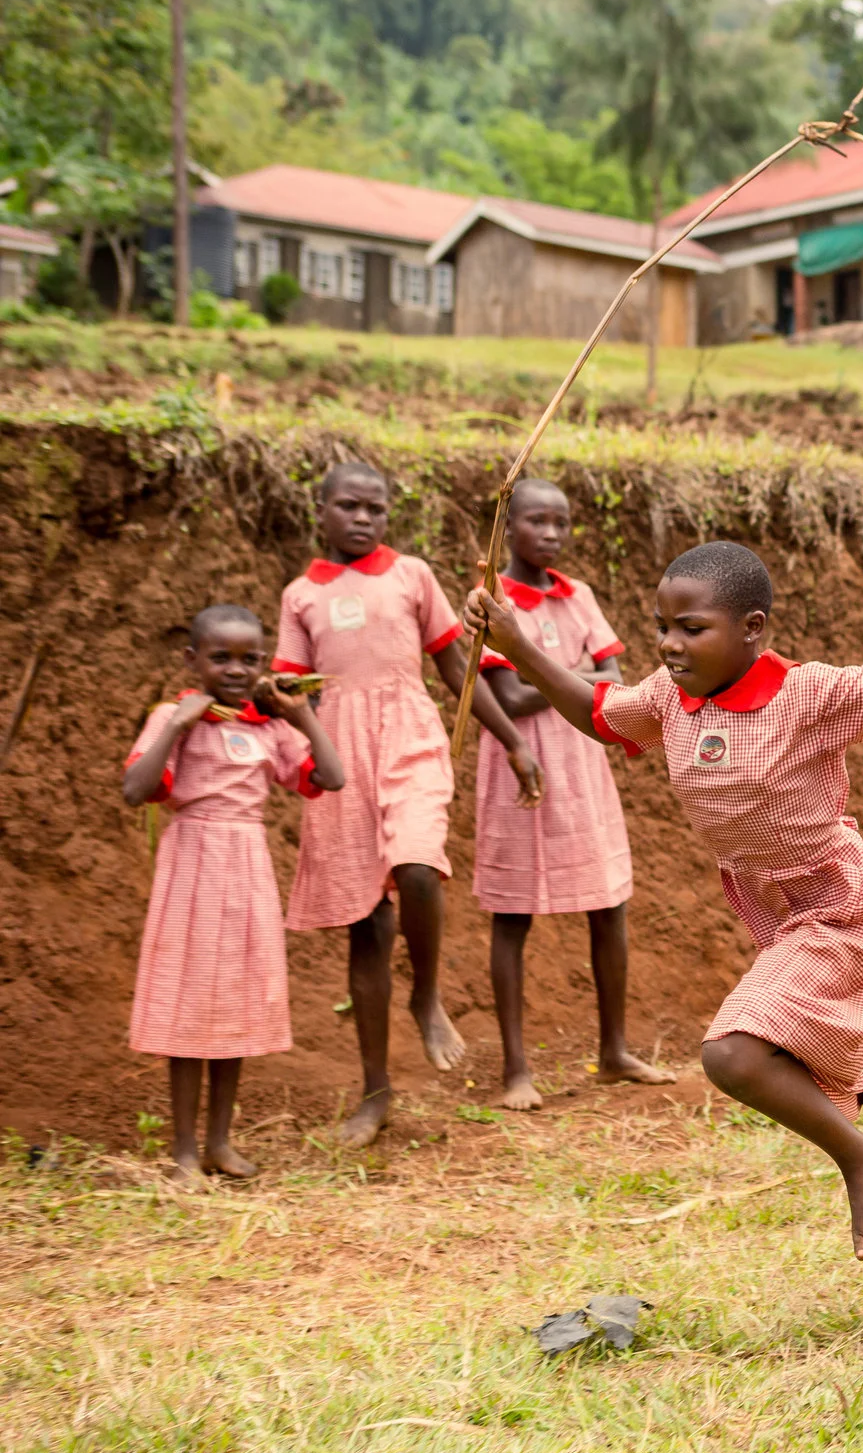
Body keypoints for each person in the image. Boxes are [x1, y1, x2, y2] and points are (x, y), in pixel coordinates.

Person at [465, 530, 863, 1272]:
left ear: (752, 628)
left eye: (691, 628)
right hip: (782, 911)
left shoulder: (809, 693)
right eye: (662, 627)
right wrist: (515, 642)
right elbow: (599, 713)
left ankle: (861, 1160)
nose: (670, 644)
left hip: (844, 905)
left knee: (732, 1051)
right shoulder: (673, 698)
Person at [275, 462, 542, 1148]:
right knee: (367, 922)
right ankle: (375, 1092)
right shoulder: (301, 594)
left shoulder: (411, 576)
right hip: (342, 755)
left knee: (420, 865)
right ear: (322, 511)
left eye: (376, 507)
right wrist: (292, 754)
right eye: (349, 506)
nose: (363, 518)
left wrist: (512, 741)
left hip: (411, 737)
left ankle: (425, 994)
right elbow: (287, 692)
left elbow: (456, 666)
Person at [123, 605, 345, 1184]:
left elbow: (332, 777)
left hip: (247, 873)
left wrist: (302, 717)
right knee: (189, 1006)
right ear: (192, 660)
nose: (237, 670)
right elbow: (135, 789)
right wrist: (177, 725)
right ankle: (183, 1153)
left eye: (251, 658)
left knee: (235, 1005)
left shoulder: (266, 727)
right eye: (220, 658)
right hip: (191, 868)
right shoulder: (172, 717)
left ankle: (220, 1143)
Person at [474, 478, 675, 1110]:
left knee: (607, 904)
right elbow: (507, 698)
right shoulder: (491, 600)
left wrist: (550, 677)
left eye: (561, 523)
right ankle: (515, 1068)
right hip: (524, 766)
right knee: (512, 914)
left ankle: (613, 1050)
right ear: (508, 529)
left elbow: (617, 679)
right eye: (537, 521)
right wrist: (576, 681)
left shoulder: (578, 594)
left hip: (583, 761)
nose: (552, 534)